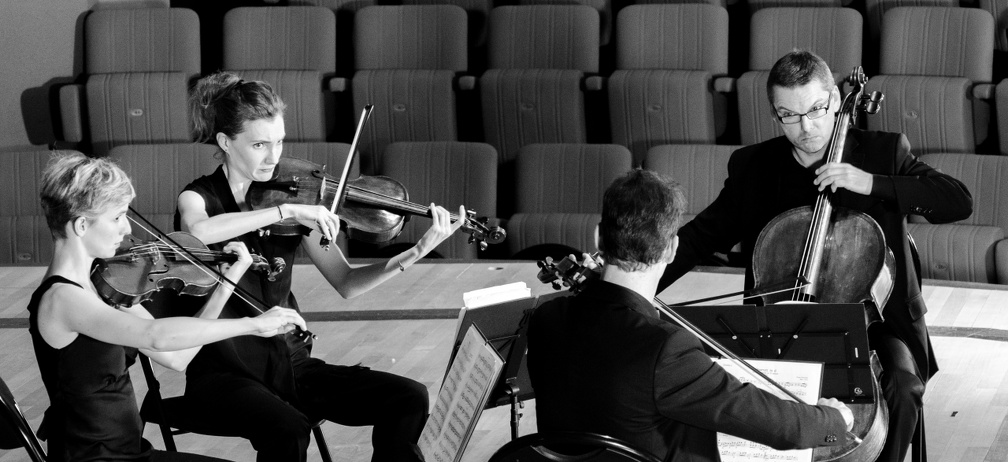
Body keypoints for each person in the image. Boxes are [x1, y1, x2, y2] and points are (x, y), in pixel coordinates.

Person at [658, 50, 974, 462]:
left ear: (836, 102)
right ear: (775, 113)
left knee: (901, 386)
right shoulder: (753, 166)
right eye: (789, 115)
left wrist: (873, 183)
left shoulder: (883, 152)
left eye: (816, 109)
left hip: (874, 325)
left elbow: (958, 202)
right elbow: (699, 237)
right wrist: (634, 279)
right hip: (778, 324)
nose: (806, 127)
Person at [174, 71, 466, 462]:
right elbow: (199, 230)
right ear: (226, 142)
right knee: (289, 428)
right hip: (224, 371)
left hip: (290, 362)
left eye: (278, 142)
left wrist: (415, 251)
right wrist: (286, 209)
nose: (273, 156)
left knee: (408, 397)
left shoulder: (297, 196)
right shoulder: (200, 197)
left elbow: (345, 281)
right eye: (259, 144)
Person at [527, 168, 855, 461]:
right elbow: (784, 428)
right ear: (671, 249)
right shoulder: (664, 348)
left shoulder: (546, 318)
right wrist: (834, 420)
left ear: (599, 236)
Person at [30, 152, 307, 462]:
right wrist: (254, 324)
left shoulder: (100, 288)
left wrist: (228, 281)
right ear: (81, 225)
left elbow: (177, 356)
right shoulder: (62, 300)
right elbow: (154, 335)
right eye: (117, 216)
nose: (126, 230)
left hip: (129, 453)